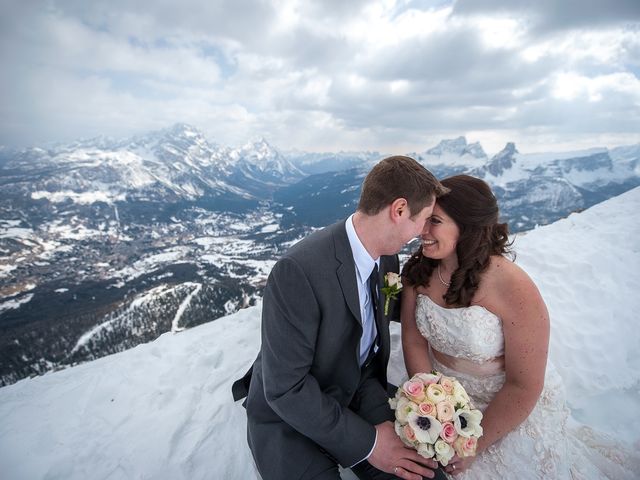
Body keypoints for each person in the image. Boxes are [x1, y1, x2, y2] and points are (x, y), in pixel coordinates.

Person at [400, 174, 640, 479]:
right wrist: (431, 406)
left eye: (434, 221)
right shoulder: (418, 271)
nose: (422, 230)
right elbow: (413, 339)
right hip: (443, 401)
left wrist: (474, 443)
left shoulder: (513, 286)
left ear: (468, 226)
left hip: (504, 405)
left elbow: (523, 384)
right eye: (423, 218)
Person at [233, 156, 449, 480]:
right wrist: (371, 443)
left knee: (423, 473)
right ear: (399, 210)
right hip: (290, 411)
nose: (422, 232)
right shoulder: (299, 271)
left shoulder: (387, 257)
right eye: (424, 219)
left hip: (357, 386)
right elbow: (286, 389)